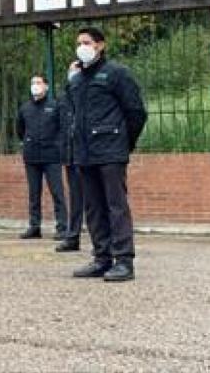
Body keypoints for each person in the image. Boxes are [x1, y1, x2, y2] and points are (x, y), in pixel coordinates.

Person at [67, 27, 147, 282]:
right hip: (84, 153)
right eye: (79, 43)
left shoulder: (116, 73)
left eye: (87, 42)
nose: (82, 47)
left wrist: (124, 143)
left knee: (116, 206)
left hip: (111, 150)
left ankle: (124, 261)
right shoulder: (76, 80)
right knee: (93, 208)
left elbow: (136, 112)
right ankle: (102, 258)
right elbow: (73, 116)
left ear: (101, 45)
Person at [16, 74, 68, 241]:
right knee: (34, 193)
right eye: (32, 82)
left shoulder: (55, 106)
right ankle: (34, 226)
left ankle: (62, 227)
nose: (35, 85)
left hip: (52, 156)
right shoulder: (25, 108)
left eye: (38, 82)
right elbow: (20, 130)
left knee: (57, 192)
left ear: (46, 86)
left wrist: (58, 145)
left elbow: (62, 128)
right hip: (31, 157)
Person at [56, 61, 84, 253]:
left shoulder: (90, 93)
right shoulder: (63, 99)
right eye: (71, 69)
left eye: (77, 69)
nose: (73, 73)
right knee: (75, 198)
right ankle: (72, 236)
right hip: (70, 155)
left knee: (100, 198)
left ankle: (107, 242)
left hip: (91, 153)